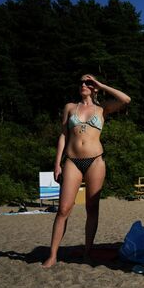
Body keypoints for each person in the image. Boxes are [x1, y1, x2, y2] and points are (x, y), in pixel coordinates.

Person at [42, 74, 131, 268]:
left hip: (96, 161)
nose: (84, 85)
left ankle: (87, 253)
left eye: (88, 83)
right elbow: (63, 136)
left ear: (95, 88)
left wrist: (101, 84)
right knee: (63, 209)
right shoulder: (70, 107)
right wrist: (57, 163)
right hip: (72, 161)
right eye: (81, 82)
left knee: (92, 208)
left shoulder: (102, 108)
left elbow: (126, 99)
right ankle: (52, 255)